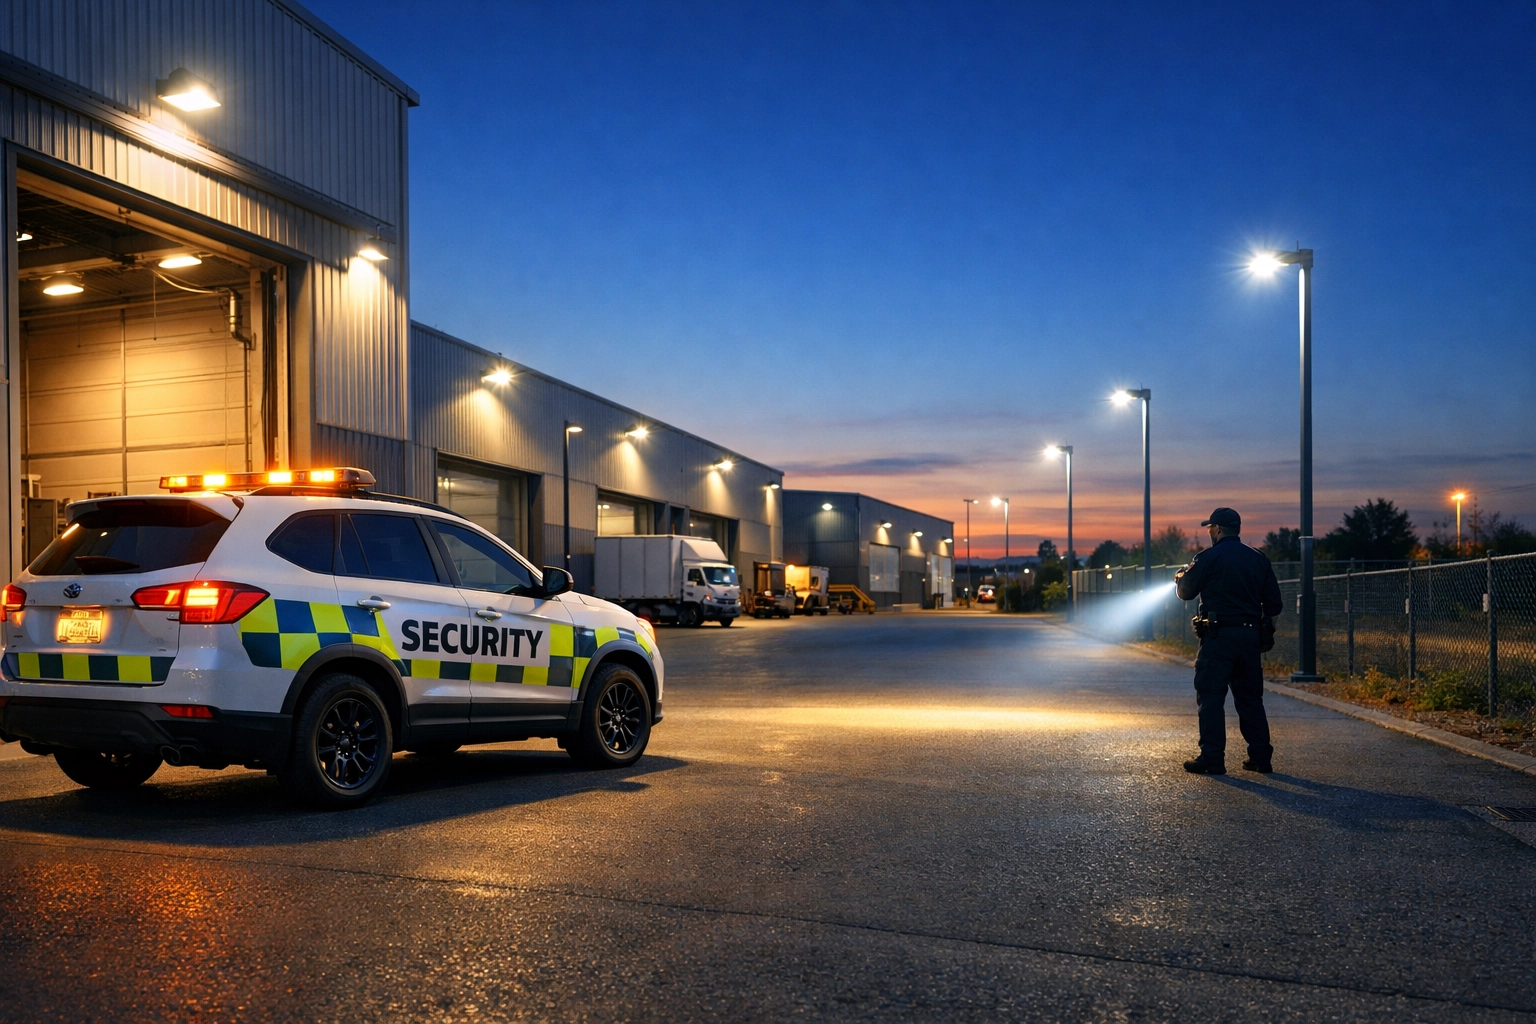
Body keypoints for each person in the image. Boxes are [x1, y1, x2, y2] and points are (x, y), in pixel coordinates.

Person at [1173, 507, 1283, 775]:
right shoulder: (1258, 559)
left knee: (1211, 697)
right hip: (1248, 638)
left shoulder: (1207, 557)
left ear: (1218, 529)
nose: (1209, 531)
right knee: (1250, 699)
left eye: (1210, 527)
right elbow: (1274, 606)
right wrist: (1265, 634)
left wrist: (1180, 578)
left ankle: (1212, 758)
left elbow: (1186, 593)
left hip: (1217, 637)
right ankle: (1260, 757)